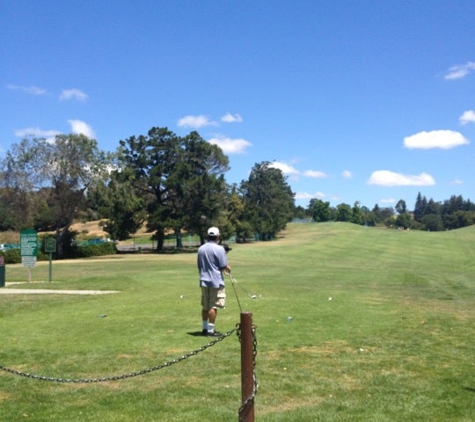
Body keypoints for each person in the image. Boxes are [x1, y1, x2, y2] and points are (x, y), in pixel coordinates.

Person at [197, 226, 231, 337]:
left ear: (207, 236)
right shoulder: (219, 249)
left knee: (205, 306)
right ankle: (211, 331)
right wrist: (227, 268)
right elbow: (222, 266)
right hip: (215, 281)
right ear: (217, 236)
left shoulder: (201, 248)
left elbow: (199, 265)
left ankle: (204, 328)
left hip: (204, 280)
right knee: (213, 306)